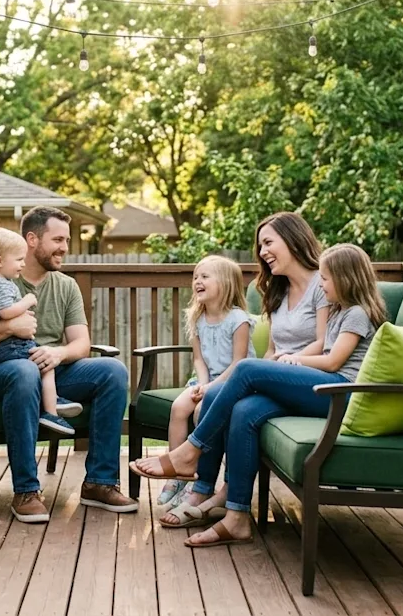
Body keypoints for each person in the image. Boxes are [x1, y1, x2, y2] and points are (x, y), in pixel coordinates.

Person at [132, 243, 388, 547]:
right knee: (245, 411)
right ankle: (236, 517)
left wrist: (294, 359)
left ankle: (191, 450)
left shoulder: (357, 313)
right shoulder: (339, 311)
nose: (321, 285)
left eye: (325, 279)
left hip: (340, 392)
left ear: (346, 279)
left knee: (246, 369)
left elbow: (333, 362)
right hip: (324, 389)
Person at [0, 206, 138, 523]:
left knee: (113, 371)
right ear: (32, 239)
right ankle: (26, 491)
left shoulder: (66, 285)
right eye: (57, 240)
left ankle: (100, 483)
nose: (65, 247)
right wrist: (9, 328)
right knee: (25, 371)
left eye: (66, 240)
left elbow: (81, 343)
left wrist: (58, 354)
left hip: (52, 370)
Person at [156, 212, 329, 528]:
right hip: (283, 380)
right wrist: (272, 366)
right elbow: (272, 350)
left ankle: (188, 454)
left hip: (316, 381)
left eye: (268, 243)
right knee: (235, 406)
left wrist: (284, 363)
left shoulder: (324, 284)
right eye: (260, 246)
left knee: (245, 369)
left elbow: (324, 343)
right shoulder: (277, 291)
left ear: (293, 239)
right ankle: (223, 503)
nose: (263, 252)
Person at [157, 255, 256, 512]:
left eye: (204, 277)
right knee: (179, 408)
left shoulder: (238, 319)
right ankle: (177, 474)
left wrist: (210, 388)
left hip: (233, 382)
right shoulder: (197, 318)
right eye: (195, 277)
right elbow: (199, 360)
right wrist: (201, 384)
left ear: (225, 283)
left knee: (202, 411)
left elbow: (239, 363)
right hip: (206, 380)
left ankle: (199, 479)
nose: (197, 281)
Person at [0, 227, 81, 436]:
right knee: (40, 366)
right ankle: (51, 410)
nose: (22, 264)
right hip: (8, 351)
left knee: (108, 369)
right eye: (18, 259)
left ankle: (52, 401)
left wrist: (58, 353)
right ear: (0, 261)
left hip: (5, 351)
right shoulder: (4, 285)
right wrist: (26, 303)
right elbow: (5, 312)